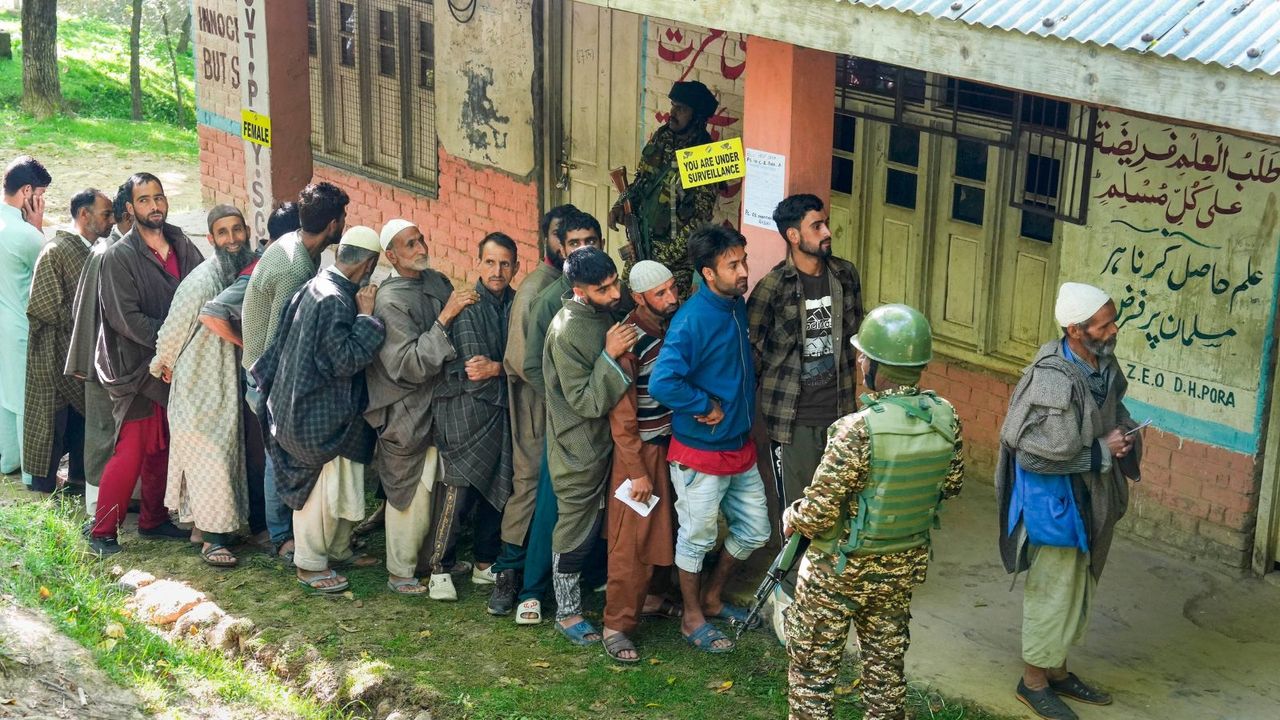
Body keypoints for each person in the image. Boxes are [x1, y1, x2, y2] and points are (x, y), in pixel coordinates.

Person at [783, 304, 964, 720]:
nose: (858, 360)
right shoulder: (946, 418)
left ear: (876, 366)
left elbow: (816, 516)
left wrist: (792, 515)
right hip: (900, 569)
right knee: (885, 673)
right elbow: (950, 486)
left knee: (813, 675)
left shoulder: (856, 430)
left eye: (863, 355)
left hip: (838, 574)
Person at [998, 282, 1142, 720]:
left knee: (1078, 586)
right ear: (1076, 330)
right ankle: (1033, 682)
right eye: (1105, 323)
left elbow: (1114, 409)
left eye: (1113, 319)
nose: (1114, 328)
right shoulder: (1052, 378)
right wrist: (1100, 451)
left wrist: (1128, 434)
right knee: (1053, 590)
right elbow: (1035, 457)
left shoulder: (1103, 361)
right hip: (1056, 504)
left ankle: (1057, 671)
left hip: (1090, 496)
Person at [649, 224, 770, 654]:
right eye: (732, 265)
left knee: (756, 530)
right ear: (707, 273)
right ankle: (691, 617)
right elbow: (664, 383)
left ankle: (712, 598)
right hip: (699, 452)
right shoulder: (691, 321)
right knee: (696, 538)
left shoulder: (735, 305)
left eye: (743, 261)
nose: (743, 272)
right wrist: (703, 405)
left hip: (739, 446)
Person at [252, 226, 385, 593]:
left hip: (303, 405)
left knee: (340, 485)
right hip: (315, 415)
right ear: (369, 264)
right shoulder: (335, 299)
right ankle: (309, 565)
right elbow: (344, 360)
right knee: (318, 494)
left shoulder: (318, 285)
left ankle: (339, 548)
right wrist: (368, 318)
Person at [89, 173, 205, 555]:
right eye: (144, 200)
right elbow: (128, 320)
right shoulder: (119, 256)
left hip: (178, 364)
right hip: (136, 368)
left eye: (159, 197)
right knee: (135, 447)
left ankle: (154, 520)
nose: (155, 206)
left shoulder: (182, 244)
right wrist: (176, 337)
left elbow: (204, 288)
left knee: (163, 446)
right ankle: (102, 531)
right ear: (130, 208)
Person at [363, 219, 476, 598]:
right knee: (408, 491)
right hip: (405, 412)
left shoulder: (436, 281)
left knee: (437, 486)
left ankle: (433, 559)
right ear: (392, 256)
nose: (420, 247)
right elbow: (408, 364)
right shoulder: (390, 301)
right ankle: (400, 571)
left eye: (421, 239)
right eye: (409, 244)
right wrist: (445, 317)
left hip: (440, 407)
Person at [242, 183, 348, 563]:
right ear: (333, 224)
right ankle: (282, 537)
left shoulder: (296, 245)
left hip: (263, 368)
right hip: (267, 373)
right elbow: (278, 336)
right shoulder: (296, 266)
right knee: (278, 455)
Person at [509, 209, 603, 625]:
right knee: (551, 504)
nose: (584, 249)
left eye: (591, 241)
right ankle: (531, 589)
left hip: (597, 421)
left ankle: (589, 575)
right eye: (575, 243)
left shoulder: (602, 293)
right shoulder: (551, 302)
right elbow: (532, 365)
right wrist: (563, 406)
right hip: (564, 423)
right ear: (560, 249)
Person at [150, 205, 257, 567]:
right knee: (209, 459)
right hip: (197, 386)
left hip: (225, 384)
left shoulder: (243, 273)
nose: (232, 239)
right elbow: (173, 329)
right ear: (211, 239)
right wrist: (162, 364)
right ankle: (213, 541)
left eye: (237, 230)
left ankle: (202, 529)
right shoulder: (200, 280)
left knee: (221, 457)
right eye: (223, 233)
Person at [748, 193, 863, 523]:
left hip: (839, 414)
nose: (827, 232)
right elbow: (753, 354)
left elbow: (855, 337)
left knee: (837, 508)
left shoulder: (845, 276)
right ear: (793, 236)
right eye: (817, 226)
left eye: (825, 223)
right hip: (790, 421)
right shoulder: (772, 287)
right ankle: (792, 576)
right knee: (796, 514)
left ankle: (825, 575)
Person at [543, 246, 634, 646]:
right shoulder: (567, 331)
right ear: (579, 291)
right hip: (576, 447)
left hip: (604, 445)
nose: (615, 294)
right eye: (604, 289)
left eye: (615, 282)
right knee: (574, 531)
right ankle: (567, 614)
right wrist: (611, 356)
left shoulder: (598, 312)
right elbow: (583, 401)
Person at [490, 204, 576, 616]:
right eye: (565, 238)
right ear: (549, 239)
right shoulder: (536, 288)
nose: (572, 246)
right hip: (535, 403)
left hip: (566, 409)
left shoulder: (572, 281)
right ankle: (507, 572)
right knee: (527, 485)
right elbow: (521, 360)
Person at [601, 260, 681, 663]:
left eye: (672, 290)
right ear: (638, 298)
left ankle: (652, 599)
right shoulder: (628, 340)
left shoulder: (669, 328)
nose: (671, 299)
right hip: (639, 454)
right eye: (660, 294)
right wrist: (635, 471)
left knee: (664, 529)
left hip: (668, 447)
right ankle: (617, 624)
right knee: (630, 542)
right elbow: (622, 415)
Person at [429, 232, 517, 598]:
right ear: (478, 263)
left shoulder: (516, 303)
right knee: (459, 491)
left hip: (501, 414)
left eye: (505, 264)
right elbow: (474, 372)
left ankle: (484, 562)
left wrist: (501, 368)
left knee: (499, 487)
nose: (497, 271)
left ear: (516, 267)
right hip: (466, 412)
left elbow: (502, 365)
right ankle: (439, 569)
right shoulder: (467, 305)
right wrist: (509, 378)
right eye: (490, 262)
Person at [23, 188, 111, 493]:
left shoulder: (95, 250)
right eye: (105, 214)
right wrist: (84, 316)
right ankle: (43, 490)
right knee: (51, 427)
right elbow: (41, 307)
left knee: (79, 423)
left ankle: (77, 479)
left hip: (79, 356)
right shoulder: (56, 251)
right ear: (84, 215)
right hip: (51, 356)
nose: (111, 220)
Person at [609, 80, 719, 298]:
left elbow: (700, 219)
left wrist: (663, 258)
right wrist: (620, 204)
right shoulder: (662, 137)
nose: (673, 112)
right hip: (641, 242)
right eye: (673, 105)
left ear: (697, 117)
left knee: (666, 312)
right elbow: (641, 179)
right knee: (626, 300)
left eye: (681, 108)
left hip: (674, 261)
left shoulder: (707, 154)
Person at [66, 182, 130, 516]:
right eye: (105, 215)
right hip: (102, 362)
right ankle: (96, 507)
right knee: (101, 434)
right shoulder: (105, 253)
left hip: (121, 363)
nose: (105, 221)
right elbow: (84, 311)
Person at [0, 156, 52, 484]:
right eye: (41, 194)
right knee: (26, 401)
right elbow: (51, 270)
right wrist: (37, 229)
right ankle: (33, 474)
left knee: (6, 397)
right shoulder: (25, 234)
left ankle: (9, 460)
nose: (43, 202)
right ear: (27, 190)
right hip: (20, 326)